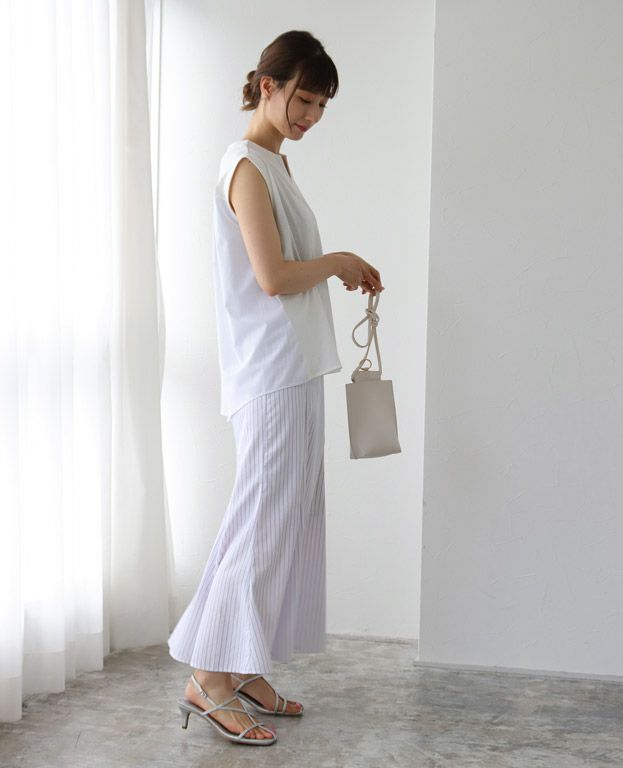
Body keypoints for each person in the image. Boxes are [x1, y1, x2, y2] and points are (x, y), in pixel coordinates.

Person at [168, 30, 384, 746]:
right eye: (304, 100)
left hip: (293, 366)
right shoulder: (245, 166)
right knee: (262, 523)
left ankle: (242, 663)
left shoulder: (275, 164)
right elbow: (272, 277)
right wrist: (338, 260)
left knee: (285, 521)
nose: (311, 116)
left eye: (321, 106)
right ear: (268, 85)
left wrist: (337, 266)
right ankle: (210, 677)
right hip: (269, 372)